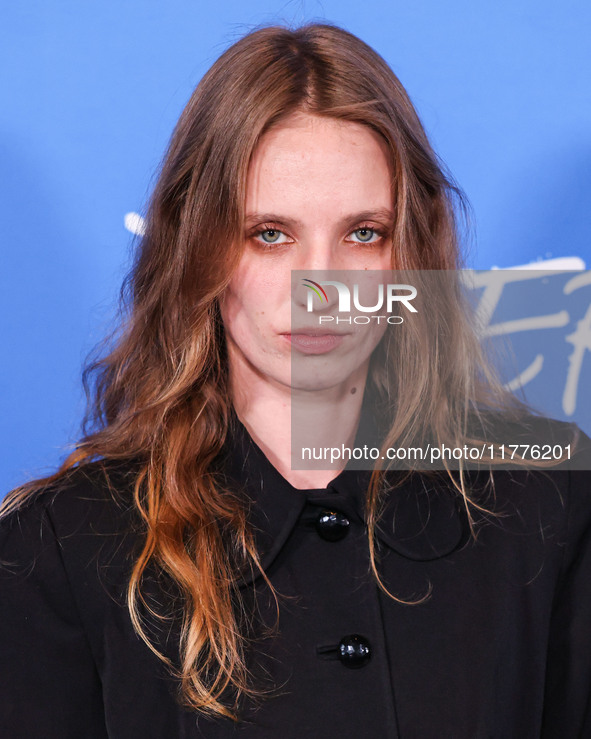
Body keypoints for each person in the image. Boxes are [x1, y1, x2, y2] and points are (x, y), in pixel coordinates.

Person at [1, 22, 590, 739]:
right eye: (269, 234)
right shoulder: (60, 550)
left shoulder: (547, 499)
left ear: (411, 252)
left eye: (362, 232)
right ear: (199, 248)